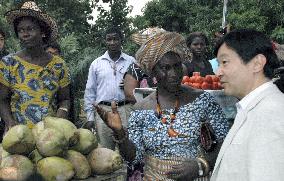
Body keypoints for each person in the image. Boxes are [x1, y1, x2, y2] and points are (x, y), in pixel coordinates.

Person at [95, 32, 229, 181]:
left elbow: (225, 140)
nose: (173, 74)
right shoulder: (141, 110)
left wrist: (202, 165)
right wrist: (120, 133)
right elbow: (134, 157)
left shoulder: (202, 100)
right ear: (153, 72)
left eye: (177, 66)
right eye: (165, 68)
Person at [211, 29, 284, 181]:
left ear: (257, 63)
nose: (218, 72)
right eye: (218, 64)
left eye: (225, 62)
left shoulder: (271, 115)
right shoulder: (253, 107)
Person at [0, 1, 71, 133]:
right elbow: (2, 100)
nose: (25, 34)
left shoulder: (58, 65)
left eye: (30, 29)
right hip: (17, 136)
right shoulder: (8, 63)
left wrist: (61, 114)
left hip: (50, 135)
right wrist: (10, 123)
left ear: (43, 32)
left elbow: (65, 99)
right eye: (20, 30)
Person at [84, 27, 136, 150]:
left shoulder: (131, 62)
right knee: (105, 152)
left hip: (126, 109)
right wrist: (90, 117)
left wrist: (130, 85)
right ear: (105, 41)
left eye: (115, 39)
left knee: (129, 148)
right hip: (103, 111)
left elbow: (141, 86)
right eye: (109, 39)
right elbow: (90, 91)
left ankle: (131, 169)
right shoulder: (96, 63)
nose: (112, 42)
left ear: (121, 40)